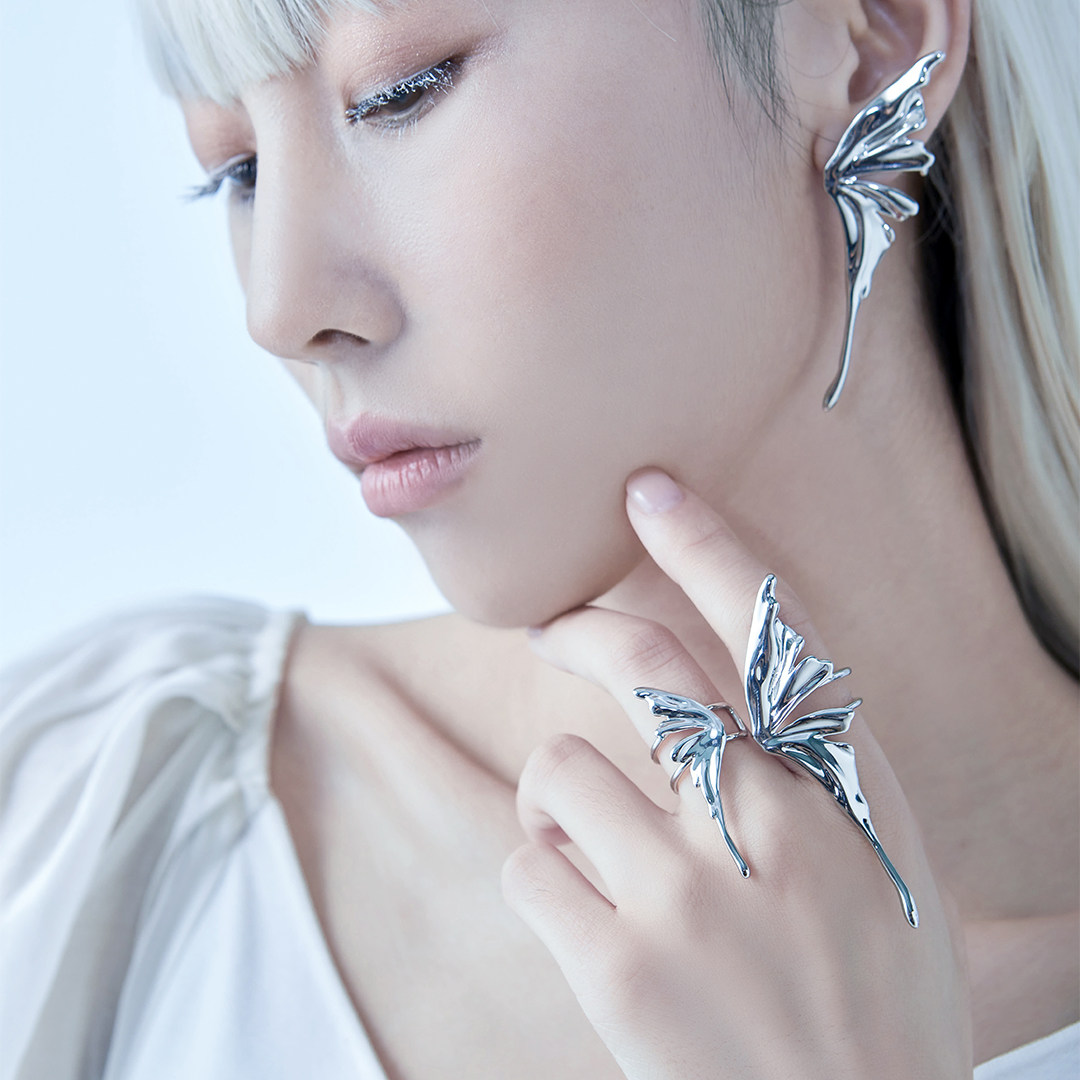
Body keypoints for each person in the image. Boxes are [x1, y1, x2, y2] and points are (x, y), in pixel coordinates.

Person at [1, 0, 1077, 1077]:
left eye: (402, 93)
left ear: (872, 35)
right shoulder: (99, 823)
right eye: (239, 172)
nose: (281, 309)